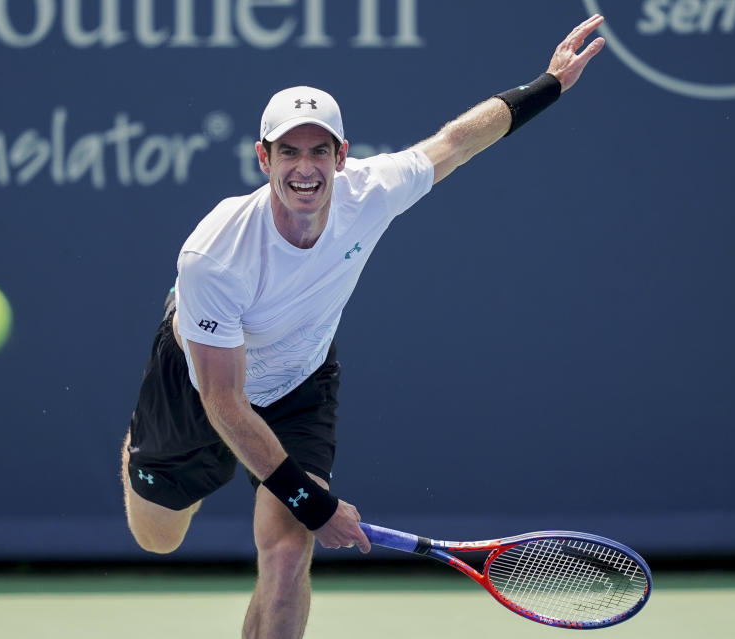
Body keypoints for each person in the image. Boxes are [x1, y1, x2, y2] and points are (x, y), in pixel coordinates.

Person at [121, 14, 607, 639]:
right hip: (199, 387)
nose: (305, 167)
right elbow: (224, 401)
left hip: (300, 382)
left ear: (341, 155)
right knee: (158, 539)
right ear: (263, 157)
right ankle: (140, 439)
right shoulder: (215, 254)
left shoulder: (370, 191)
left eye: (318, 150)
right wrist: (316, 502)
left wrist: (549, 84)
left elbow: (456, 141)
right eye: (288, 151)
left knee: (290, 552)